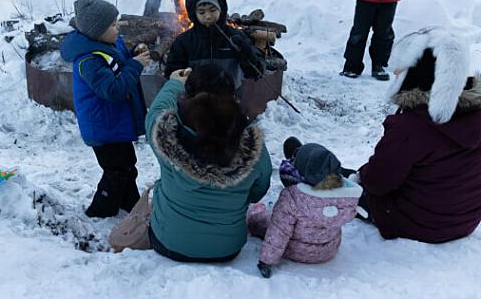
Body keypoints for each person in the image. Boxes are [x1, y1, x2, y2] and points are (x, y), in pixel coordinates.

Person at [354, 27, 481, 243]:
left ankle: (304, 166)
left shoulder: (410, 126)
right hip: (463, 221)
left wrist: (361, 174)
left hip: (416, 223)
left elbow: (377, 182)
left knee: (338, 180)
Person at [145, 64, 271, 262]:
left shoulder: (164, 135)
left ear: (189, 97)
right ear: (233, 98)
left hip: (168, 243)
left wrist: (173, 84)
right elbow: (257, 193)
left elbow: (156, 111)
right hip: (227, 249)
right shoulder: (254, 149)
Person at [60, 0, 151, 218]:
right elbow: (113, 90)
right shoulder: (88, 60)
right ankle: (100, 211)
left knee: (128, 165)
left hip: (115, 124)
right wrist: (136, 66)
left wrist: (134, 55)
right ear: (96, 31)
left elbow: (120, 61)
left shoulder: (110, 43)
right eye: (112, 25)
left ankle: (131, 204)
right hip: (102, 127)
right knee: (116, 171)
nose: (117, 27)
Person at [247, 138, 362, 278]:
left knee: (268, 222)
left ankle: (254, 218)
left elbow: (279, 232)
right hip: (328, 250)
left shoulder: (292, 197)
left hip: (295, 250)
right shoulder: (344, 199)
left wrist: (266, 261)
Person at [164, 0, 265, 96]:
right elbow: (172, 73)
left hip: (230, 101)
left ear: (221, 9)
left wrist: (246, 54)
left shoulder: (234, 36)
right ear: (193, 13)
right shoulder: (184, 41)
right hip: (195, 102)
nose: (208, 16)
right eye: (201, 12)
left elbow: (257, 72)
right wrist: (187, 87)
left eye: (212, 10)